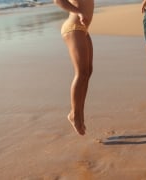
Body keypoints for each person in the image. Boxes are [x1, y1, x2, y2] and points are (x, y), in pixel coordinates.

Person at [54, 0, 94, 135]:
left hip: (83, 29)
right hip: (73, 27)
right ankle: (74, 114)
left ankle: (79, 113)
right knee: (81, 72)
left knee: (88, 72)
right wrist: (79, 12)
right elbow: (58, 1)